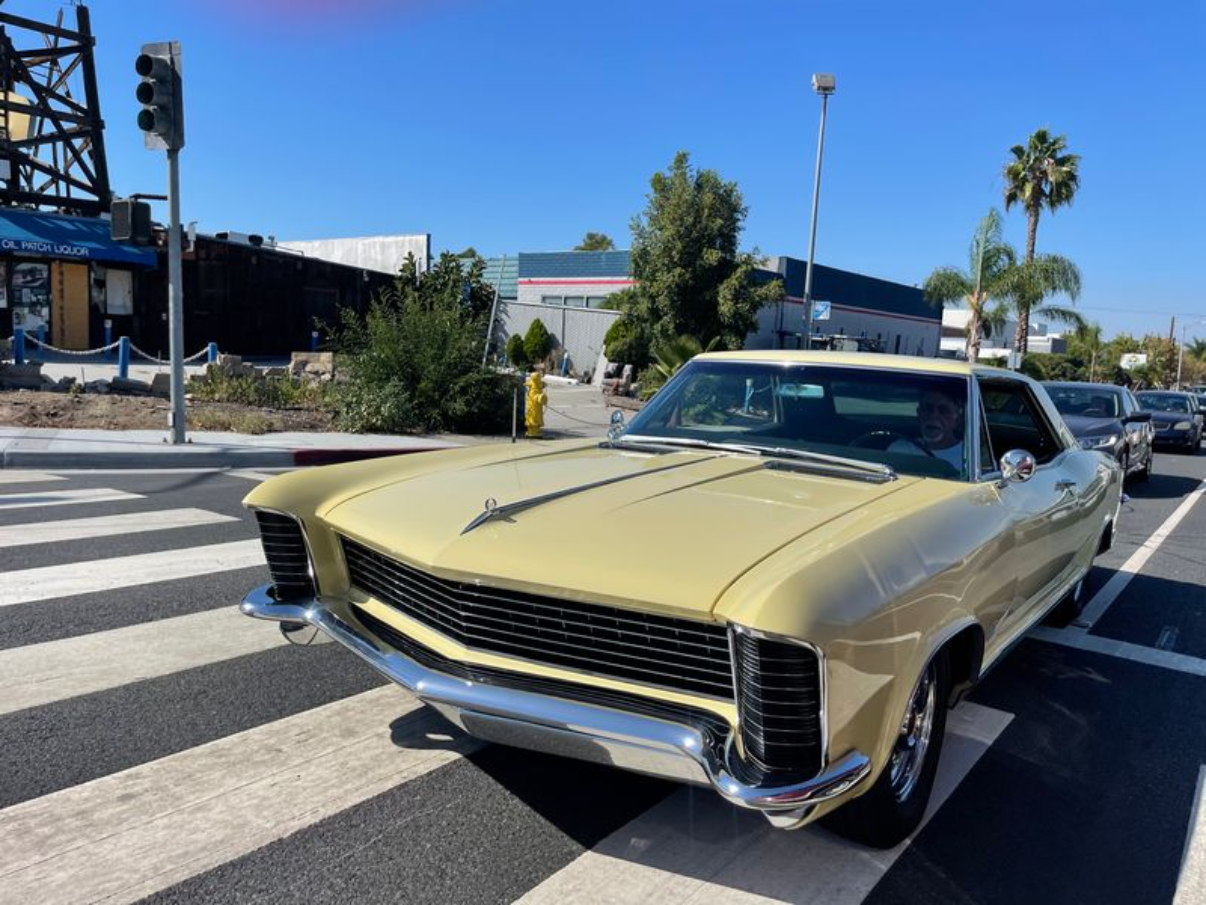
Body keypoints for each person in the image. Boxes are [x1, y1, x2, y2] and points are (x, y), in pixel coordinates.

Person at [888, 386, 966, 471]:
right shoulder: (899, 449)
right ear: (919, 413)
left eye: (943, 410)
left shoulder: (968, 456)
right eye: (928, 408)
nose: (934, 415)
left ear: (957, 419)